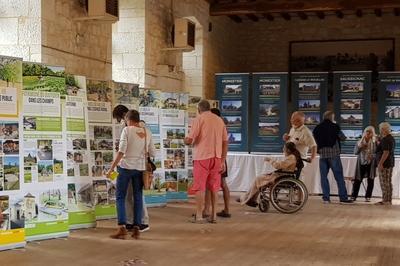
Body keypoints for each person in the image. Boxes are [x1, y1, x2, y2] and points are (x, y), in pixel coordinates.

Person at [107, 110, 155, 239]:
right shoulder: (147, 131)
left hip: (125, 168)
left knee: (120, 197)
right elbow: (152, 152)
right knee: (138, 197)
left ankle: (122, 227)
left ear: (128, 119)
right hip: (140, 169)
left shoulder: (127, 131)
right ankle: (136, 229)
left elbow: (121, 151)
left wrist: (111, 168)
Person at [184, 100, 228, 224]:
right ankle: (213, 215)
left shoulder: (199, 119)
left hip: (202, 157)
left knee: (200, 187)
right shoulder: (219, 120)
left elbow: (190, 139)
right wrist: (223, 160)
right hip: (217, 158)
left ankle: (199, 215)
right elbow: (225, 142)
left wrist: (185, 140)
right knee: (214, 188)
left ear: (199, 109)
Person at [238, 142, 303, 206]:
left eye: (284, 148)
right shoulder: (292, 156)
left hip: (283, 177)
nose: (283, 149)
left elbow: (279, 166)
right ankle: (249, 198)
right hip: (283, 175)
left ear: (288, 150)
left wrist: (270, 160)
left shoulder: (291, 157)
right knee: (259, 179)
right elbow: (282, 165)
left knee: (258, 179)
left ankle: (248, 198)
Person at [313, 111, 352, 204]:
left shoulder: (317, 127)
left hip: (322, 155)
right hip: (334, 154)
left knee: (323, 177)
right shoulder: (335, 126)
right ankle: (343, 198)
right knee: (339, 177)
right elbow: (343, 138)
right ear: (331, 118)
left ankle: (326, 198)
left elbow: (314, 139)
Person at [203, 108, 231, 218]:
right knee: (223, 184)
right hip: (221, 158)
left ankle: (206, 210)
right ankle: (227, 209)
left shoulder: (215, 126)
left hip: (215, 158)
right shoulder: (222, 126)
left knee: (209, 185)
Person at [351, 126, 377, 202]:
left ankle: (368, 196)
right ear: (364, 132)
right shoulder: (359, 142)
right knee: (357, 180)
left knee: (370, 180)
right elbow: (355, 152)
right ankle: (354, 196)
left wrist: (372, 156)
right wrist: (360, 147)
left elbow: (377, 153)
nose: (368, 133)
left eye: (370, 132)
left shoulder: (375, 142)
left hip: (371, 163)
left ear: (373, 133)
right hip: (361, 163)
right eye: (367, 131)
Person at [375, 122, 395, 205]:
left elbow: (386, 152)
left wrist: (380, 163)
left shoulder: (385, 139)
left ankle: (385, 200)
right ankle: (388, 200)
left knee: (384, 182)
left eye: (381, 129)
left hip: (385, 163)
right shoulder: (391, 138)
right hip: (390, 163)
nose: (380, 130)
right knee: (388, 182)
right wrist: (378, 143)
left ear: (383, 129)